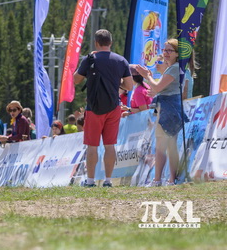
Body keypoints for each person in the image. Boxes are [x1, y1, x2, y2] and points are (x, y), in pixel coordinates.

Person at [74, 29, 133, 188]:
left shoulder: (90, 59)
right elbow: (129, 86)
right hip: (114, 107)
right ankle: (108, 180)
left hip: (93, 108)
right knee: (110, 145)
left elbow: (76, 80)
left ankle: (90, 181)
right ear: (110, 43)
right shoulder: (121, 60)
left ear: (96, 43)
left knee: (92, 146)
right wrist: (116, 82)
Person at [135, 38, 186, 186]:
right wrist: (153, 87)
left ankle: (162, 180)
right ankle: (166, 180)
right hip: (168, 107)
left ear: (177, 53)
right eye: (165, 50)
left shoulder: (174, 68)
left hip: (169, 108)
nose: (166, 53)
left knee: (165, 146)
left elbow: (157, 87)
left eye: (170, 50)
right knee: (167, 146)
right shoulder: (172, 68)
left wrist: (147, 76)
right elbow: (158, 88)